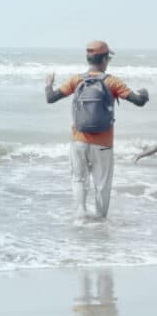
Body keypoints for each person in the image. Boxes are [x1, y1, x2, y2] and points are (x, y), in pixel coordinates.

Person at [45, 41, 149, 219]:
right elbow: (138, 101)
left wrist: (48, 83)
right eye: (108, 57)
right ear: (104, 59)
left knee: (79, 179)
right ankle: (100, 221)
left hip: (78, 141)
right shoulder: (111, 81)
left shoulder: (76, 80)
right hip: (103, 145)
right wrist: (145, 94)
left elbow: (51, 98)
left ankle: (80, 215)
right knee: (102, 185)